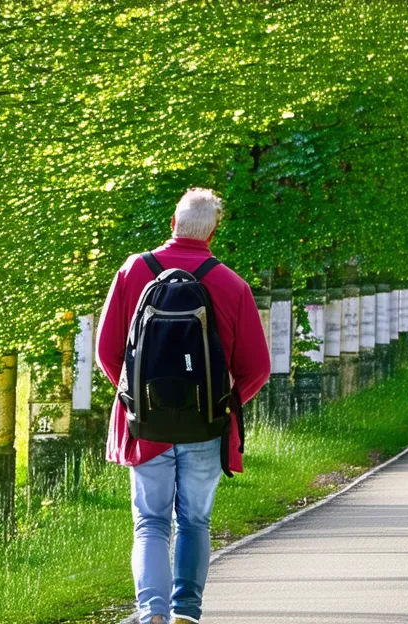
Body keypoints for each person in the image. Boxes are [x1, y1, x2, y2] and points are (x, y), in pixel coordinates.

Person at [97, 188, 271, 624]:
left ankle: (151, 613)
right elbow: (258, 368)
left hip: (146, 427)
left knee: (151, 523)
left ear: (172, 224)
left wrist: (135, 399)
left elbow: (106, 351)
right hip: (205, 427)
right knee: (194, 521)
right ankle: (186, 614)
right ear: (213, 231)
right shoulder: (232, 284)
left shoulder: (134, 271)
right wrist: (222, 406)